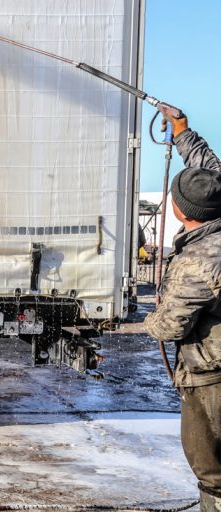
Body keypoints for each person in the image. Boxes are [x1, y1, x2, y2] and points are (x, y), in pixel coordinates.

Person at [144, 112, 221, 511]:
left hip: (212, 375)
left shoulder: (197, 262)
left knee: (212, 471)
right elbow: (209, 169)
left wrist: (147, 321)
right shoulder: (216, 206)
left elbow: (171, 325)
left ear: (180, 210)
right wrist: (181, 131)